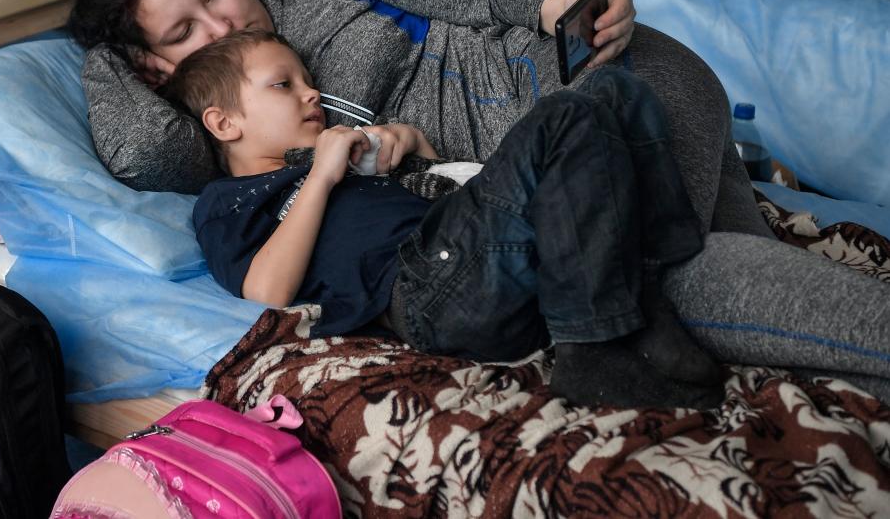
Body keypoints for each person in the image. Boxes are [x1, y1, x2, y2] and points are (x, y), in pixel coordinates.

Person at [70, 0, 890, 401]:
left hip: (600, 84)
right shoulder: (220, 117)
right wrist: (115, 46)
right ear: (157, 70)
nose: (219, 23)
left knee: (674, 278)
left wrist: (562, 7)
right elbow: (138, 149)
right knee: (748, 318)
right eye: (182, 33)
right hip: (551, 173)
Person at [168, 29, 723, 408]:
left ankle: (646, 295)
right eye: (283, 84)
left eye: (305, 78)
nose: (313, 91)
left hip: (478, 256)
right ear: (223, 123)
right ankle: (596, 352)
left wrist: (413, 148)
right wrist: (320, 176)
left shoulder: (338, 164)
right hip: (426, 292)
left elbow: (446, 193)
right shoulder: (227, 202)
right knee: (566, 115)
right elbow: (266, 291)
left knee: (615, 88)